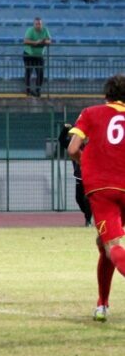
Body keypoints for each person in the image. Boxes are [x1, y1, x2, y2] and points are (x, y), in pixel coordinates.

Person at [66, 73, 125, 322]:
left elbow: (72, 149)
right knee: (104, 245)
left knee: (112, 247)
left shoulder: (91, 113)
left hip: (102, 189)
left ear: (106, 96)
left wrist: (87, 163)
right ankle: (102, 304)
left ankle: (102, 304)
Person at [61, 122, 92, 226]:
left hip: (91, 177)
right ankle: (89, 214)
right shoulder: (74, 145)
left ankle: (88, 220)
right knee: (79, 199)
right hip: (79, 177)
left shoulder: (94, 144)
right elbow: (62, 141)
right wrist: (65, 129)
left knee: (87, 198)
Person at [22, 17, 52, 98]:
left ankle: (37, 90)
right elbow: (25, 41)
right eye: (37, 24)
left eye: (40, 24)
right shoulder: (30, 30)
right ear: (34, 24)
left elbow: (50, 41)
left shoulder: (45, 30)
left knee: (40, 73)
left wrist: (43, 41)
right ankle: (28, 91)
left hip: (39, 55)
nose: (38, 25)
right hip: (29, 55)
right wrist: (35, 42)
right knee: (28, 72)